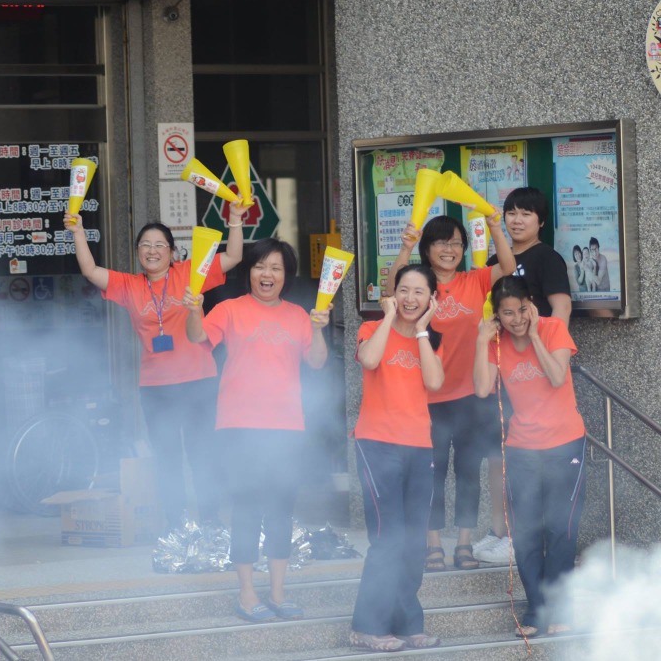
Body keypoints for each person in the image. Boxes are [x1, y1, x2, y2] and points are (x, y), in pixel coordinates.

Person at [65, 204, 246, 531]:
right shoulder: (129, 285)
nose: (152, 251)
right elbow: (91, 271)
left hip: (199, 380)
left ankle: (209, 521)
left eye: (160, 245)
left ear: (173, 253)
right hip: (156, 388)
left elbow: (232, 257)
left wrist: (234, 220)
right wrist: (78, 231)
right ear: (137, 253)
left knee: (201, 453)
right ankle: (176, 525)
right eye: (145, 245)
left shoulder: (190, 273)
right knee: (168, 459)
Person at [182, 237, 329, 623]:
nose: (268, 274)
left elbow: (316, 362)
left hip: (286, 427)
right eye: (261, 266)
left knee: (281, 510)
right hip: (239, 427)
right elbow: (198, 337)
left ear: (286, 276)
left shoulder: (299, 315)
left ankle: (278, 594)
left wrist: (319, 328)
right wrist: (195, 310)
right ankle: (247, 595)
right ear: (249, 272)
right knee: (246, 508)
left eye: (276, 268)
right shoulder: (230, 309)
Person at [386, 213, 515, 571]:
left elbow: (508, 264)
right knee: (432, 471)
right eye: (441, 242)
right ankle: (433, 544)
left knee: (469, 470)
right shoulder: (419, 285)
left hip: (473, 394)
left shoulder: (476, 280)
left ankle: (463, 544)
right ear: (428, 249)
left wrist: (493, 227)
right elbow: (392, 286)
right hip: (427, 395)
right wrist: (405, 245)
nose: (450, 249)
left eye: (456, 242)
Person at [474, 275, 586, 637]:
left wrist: (535, 334)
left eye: (521, 309)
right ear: (497, 315)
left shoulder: (553, 329)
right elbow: (480, 388)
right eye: (507, 313)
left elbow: (556, 376)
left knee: (561, 530)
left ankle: (561, 608)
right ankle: (536, 610)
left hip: (565, 444)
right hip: (522, 448)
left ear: (531, 304)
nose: (516, 319)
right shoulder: (496, 343)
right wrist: (480, 340)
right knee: (526, 533)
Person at [351, 264, 444, 651]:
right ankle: (366, 625)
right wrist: (388, 316)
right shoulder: (372, 330)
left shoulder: (432, 339)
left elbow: (435, 382)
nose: (410, 299)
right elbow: (370, 361)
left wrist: (422, 330)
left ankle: (407, 623)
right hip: (376, 445)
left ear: (432, 299)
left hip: (419, 447)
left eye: (419, 292)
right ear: (393, 294)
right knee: (388, 539)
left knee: (412, 542)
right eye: (403, 290)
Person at [487, 187, 571, 325]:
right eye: (511, 213)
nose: (517, 220)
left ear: (541, 221)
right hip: (501, 343)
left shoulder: (548, 258)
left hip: (537, 341)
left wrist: (553, 344)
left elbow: (562, 307)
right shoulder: (495, 261)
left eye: (526, 214)